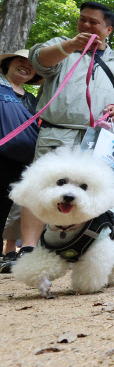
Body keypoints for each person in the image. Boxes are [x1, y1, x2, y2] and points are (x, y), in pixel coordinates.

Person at [13, 1, 114, 268]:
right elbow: (39, 61)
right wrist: (70, 46)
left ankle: (83, 248)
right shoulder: (62, 45)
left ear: (109, 29)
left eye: (93, 22)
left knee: (93, 193)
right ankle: (27, 249)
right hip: (57, 133)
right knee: (42, 188)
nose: (85, 25)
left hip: (100, 139)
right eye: (82, 19)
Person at [0, 50, 43, 271]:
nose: (26, 66)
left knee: (6, 205)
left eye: (31, 65)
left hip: (19, 161)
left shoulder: (31, 100)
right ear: (8, 63)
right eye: (20, 61)